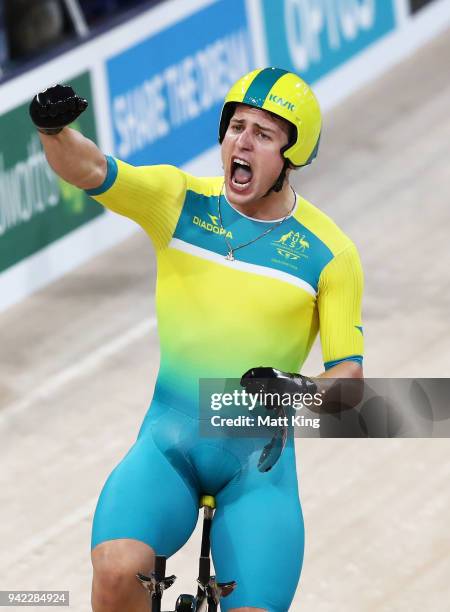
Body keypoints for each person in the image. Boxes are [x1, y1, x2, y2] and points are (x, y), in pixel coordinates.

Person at [29, 67, 364, 612]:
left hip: (256, 469)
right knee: (115, 572)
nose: (243, 142)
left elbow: (349, 384)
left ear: (291, 156)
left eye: (263, 133)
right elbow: (89, 167)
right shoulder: (178, 201)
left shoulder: (331, 254)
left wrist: (297, 390)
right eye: (236, 127)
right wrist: (51, 133)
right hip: (168, 446)